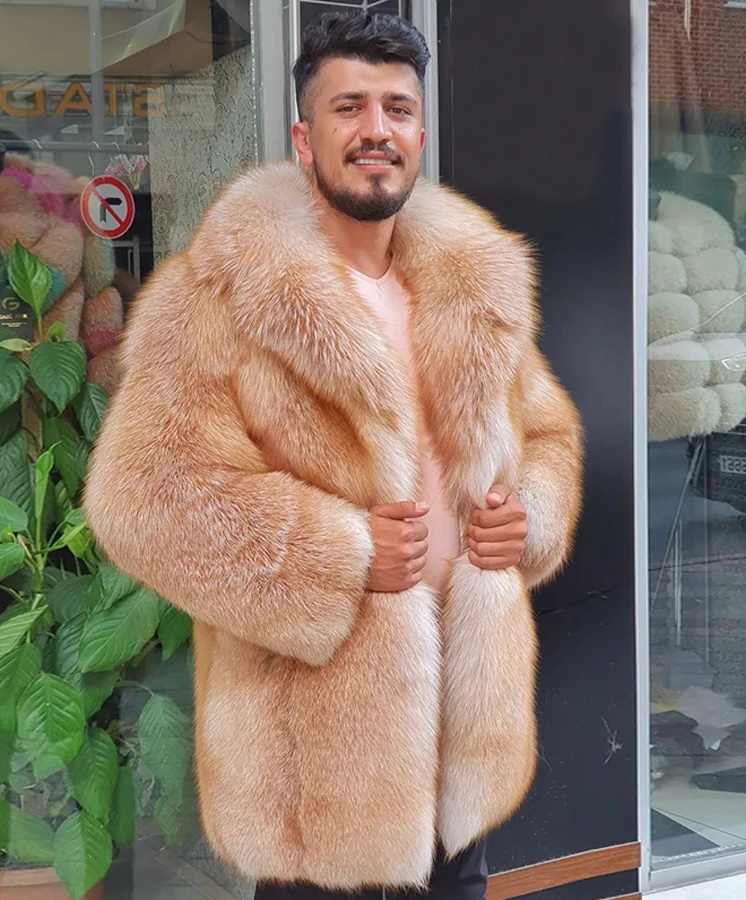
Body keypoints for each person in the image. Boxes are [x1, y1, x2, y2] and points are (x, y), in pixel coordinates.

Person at [83, 12, 583, 900]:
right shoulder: (224, 295)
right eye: (349, 107)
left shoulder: (473, 291)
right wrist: (343, 553)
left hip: (458, 752)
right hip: (314, 785)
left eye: (397, 108)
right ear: (303, 137)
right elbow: (143, 496)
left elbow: (547, 435)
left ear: (420, 135)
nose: (376, 130)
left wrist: (529, 515)